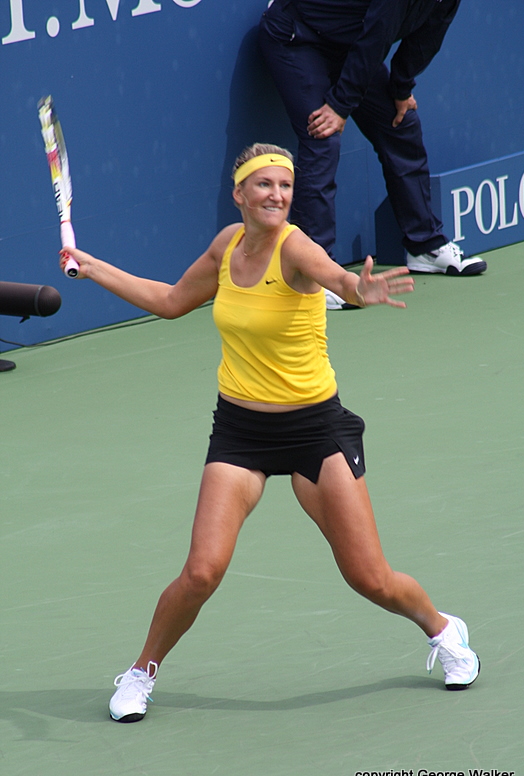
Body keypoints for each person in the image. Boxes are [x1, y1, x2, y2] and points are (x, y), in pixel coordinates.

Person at [60, 143, 479, 723]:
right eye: (264, 185)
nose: (277, 195)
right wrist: (92, 264)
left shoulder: (296, 247)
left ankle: (442, 628)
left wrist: (362, 290)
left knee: (370, 578)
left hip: (315, 429)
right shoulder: (225, 247)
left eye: (284, 185)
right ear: (239, 195)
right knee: (202, 570)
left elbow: (337, 278)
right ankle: (141, 672)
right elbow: (171, 301)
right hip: (240, 431)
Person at [258, 0, 487, 310]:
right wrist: (340, 106)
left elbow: (429, 35)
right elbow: (376, 36)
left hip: (349, 47)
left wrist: (401, 87)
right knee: (322, 138)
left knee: (400, 122)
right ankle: (316, 272)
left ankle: (425, 247)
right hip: (298, 38)